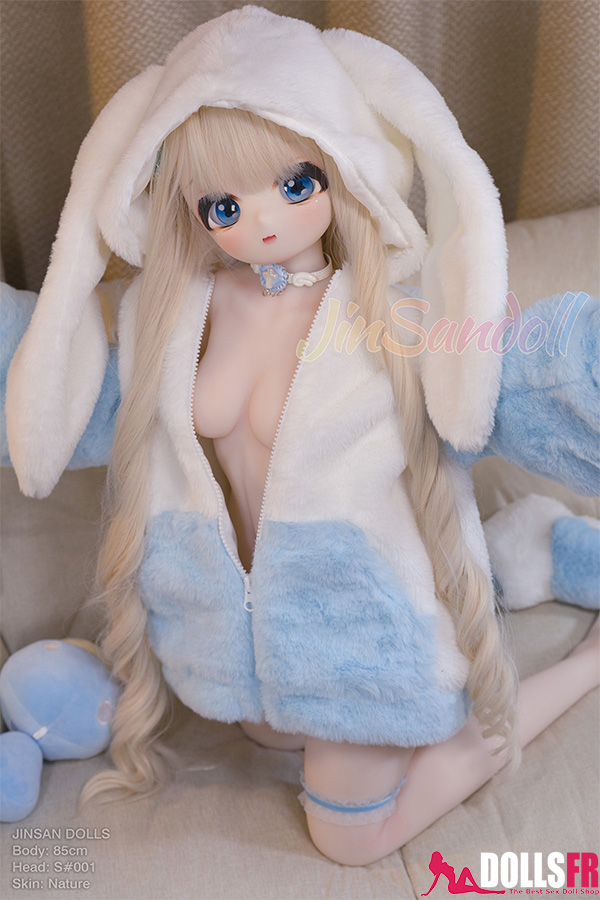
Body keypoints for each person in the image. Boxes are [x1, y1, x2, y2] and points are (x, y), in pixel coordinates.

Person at [4, 7, 598, 867]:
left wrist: (577, 369)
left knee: (350, 839)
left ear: (340, 168)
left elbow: (508, 386)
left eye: (294, 184)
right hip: (243, 644)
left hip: (359, 637)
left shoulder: (389, 316)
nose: (262, 222)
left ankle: (585, 664)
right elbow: (70, 399)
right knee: (269, 731)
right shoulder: (174, 317)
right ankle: (531, 546)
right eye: (223, 203)